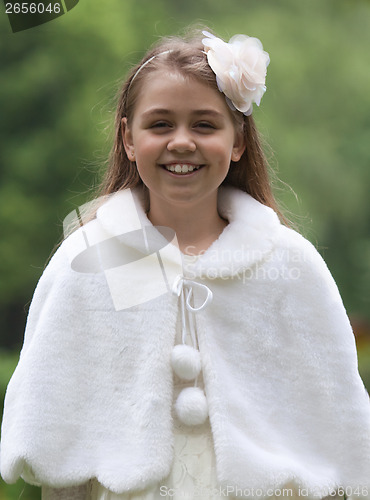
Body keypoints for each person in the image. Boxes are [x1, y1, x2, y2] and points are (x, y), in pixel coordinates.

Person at [1, 28, 369, 500]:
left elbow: (332, 427)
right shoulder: (93, 259)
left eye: (204, 125)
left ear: (237, 141)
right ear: (128, 139)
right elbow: (63, 434)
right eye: (159, 125)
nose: (181, 142)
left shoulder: (287, 264)